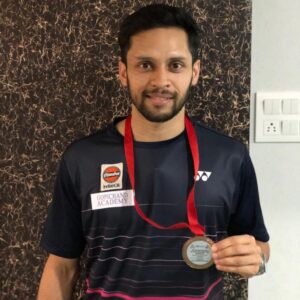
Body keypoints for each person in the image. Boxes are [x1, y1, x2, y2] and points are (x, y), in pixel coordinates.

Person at [37, 4, 270, 299]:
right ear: (123, 72)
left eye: (175, 65)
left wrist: (257, 261)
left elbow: (260, 247)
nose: (161, 81)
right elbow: (61, 267)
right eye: (145, 64)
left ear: (195, 72)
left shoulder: (230, 157)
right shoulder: (82, 158)